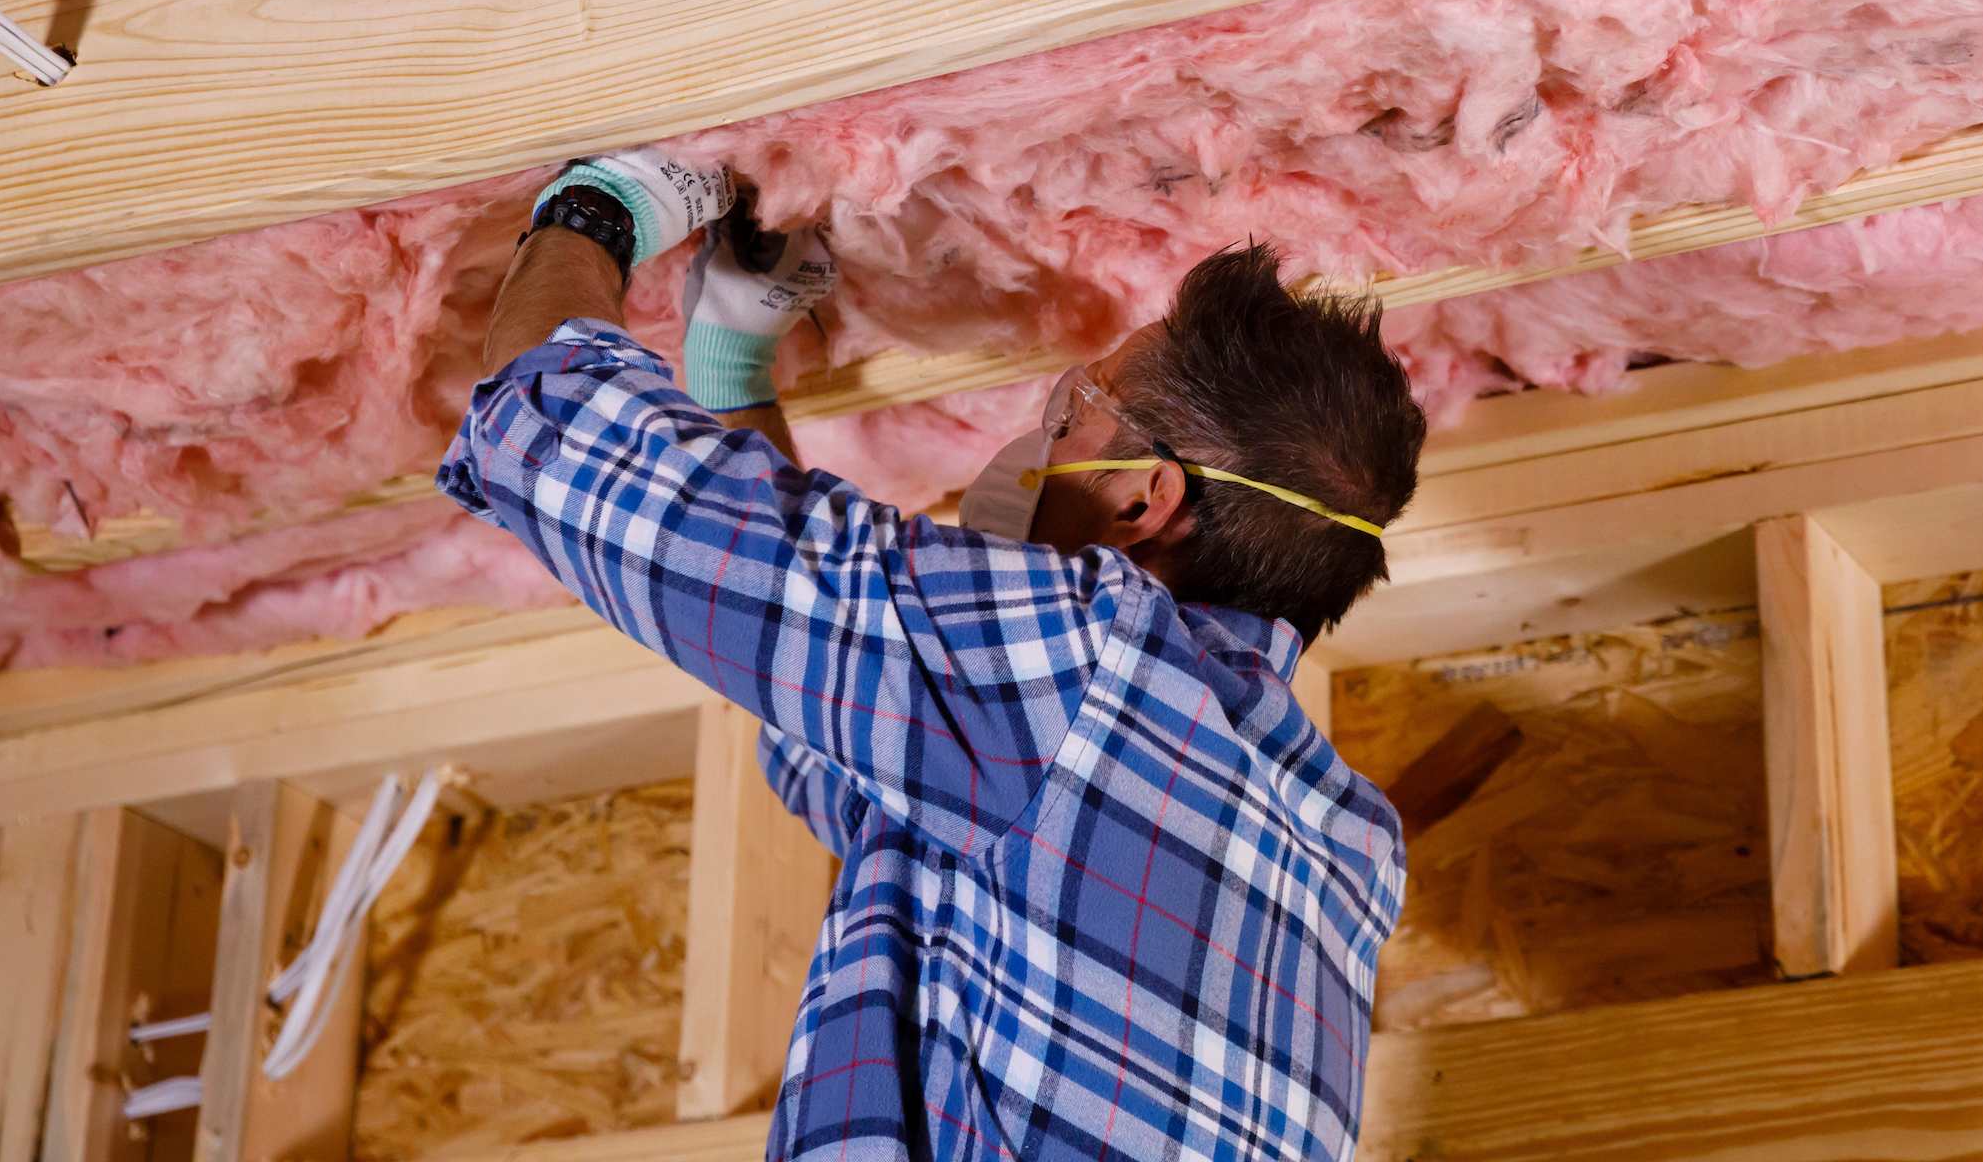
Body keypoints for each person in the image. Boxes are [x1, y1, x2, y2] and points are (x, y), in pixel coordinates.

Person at [439, 147, 1429, 1162]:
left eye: (1078, 409)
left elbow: (570, 444)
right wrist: (729, 368)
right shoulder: (1340, 850)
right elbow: (848, 730)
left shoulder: (1095, 672)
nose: (1047, 433)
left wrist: (595, 213)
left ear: (1141, 501)